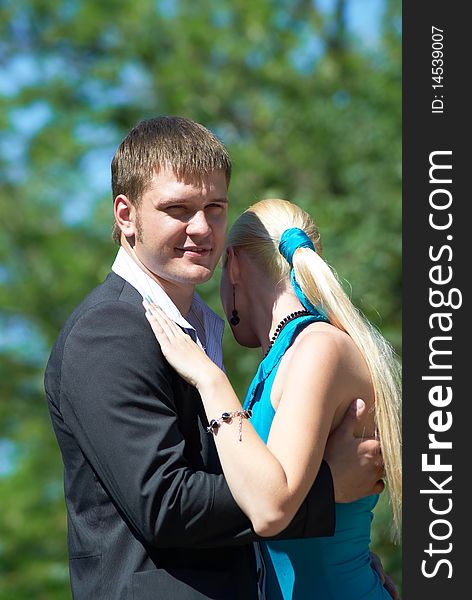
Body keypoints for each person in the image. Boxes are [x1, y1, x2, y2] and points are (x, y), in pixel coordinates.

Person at [44, 116, 387, 600]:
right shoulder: (109, 331)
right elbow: (164, 503)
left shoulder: (203, 329)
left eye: (215, 208)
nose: (202, 228)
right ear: (125, 215)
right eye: (178, 209)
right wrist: (323, 491)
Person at [144, 197, 402, 599]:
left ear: (233, 264)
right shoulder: (282, 360)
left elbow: (269, 510)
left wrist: (210, 380)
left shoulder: (318, 349)